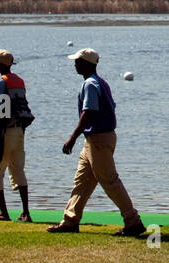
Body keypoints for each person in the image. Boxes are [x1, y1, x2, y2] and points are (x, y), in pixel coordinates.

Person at [47, 48, 146, 237]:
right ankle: (70, 221)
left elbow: (89, 112)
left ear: (87, 63)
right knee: (82, 181)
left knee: (110, 181)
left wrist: (72, 137)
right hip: (97, 139)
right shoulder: (101, 83)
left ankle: (133, 222)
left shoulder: (90, 84)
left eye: (78, 61)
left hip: (98, 140)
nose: (75, 64)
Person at [0, 49, 34, 222]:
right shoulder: (19, 81)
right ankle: (26, 212)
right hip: (19, 131)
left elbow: (0, 111)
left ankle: (3, 213)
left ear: (0, 64)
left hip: (4, 131)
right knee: (18, 170)